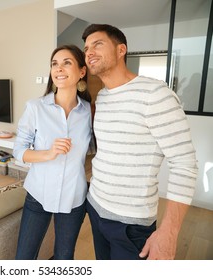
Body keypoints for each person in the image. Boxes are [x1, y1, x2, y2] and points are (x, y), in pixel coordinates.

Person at [81, 24, 198, 260]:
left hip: (131, 223)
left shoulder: (155, 94)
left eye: (98, 44)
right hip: (95, 207)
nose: (89, 52)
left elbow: (184, 163)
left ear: (121, 49)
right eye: (86, 48)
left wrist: (169, 232)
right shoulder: (102, 97)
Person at [13, 45, 93, 259]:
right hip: (38, 194)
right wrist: (47, 154)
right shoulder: (35, 107)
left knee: (64, 258)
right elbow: (18, 151)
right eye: (54, 64)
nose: (59, 69)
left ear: (82, 72)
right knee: (24, 258)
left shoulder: (89, 112)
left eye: (67, 63)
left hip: (74, 198)